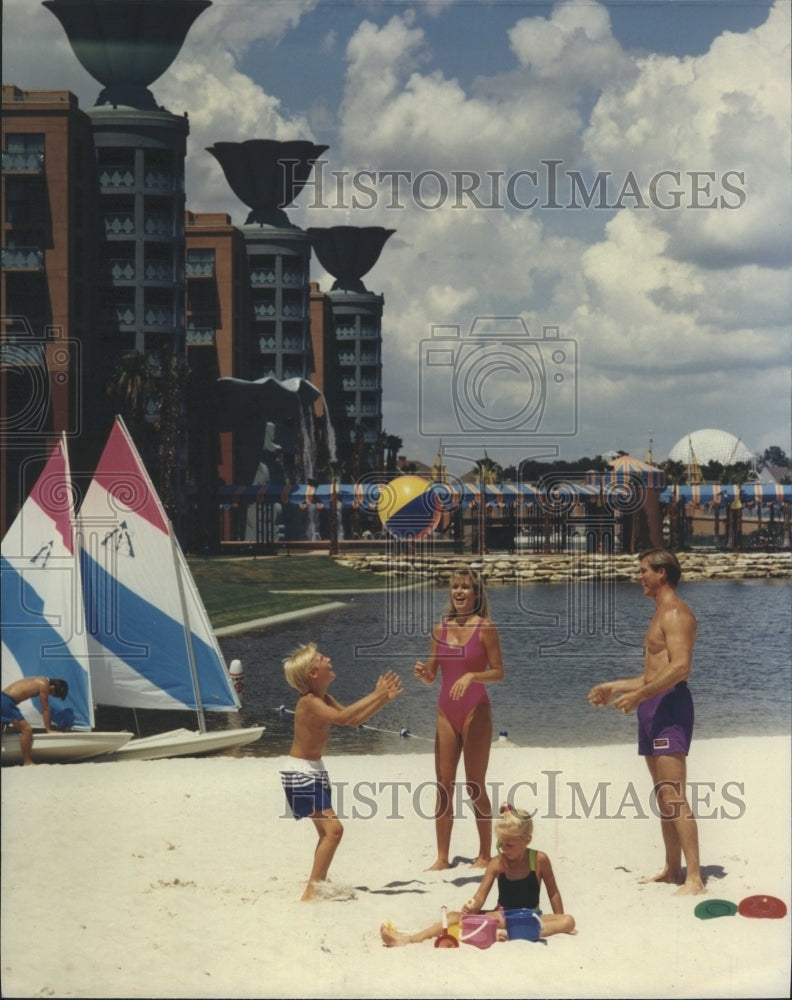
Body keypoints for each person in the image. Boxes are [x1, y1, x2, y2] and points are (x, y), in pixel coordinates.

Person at [588, 547, 705, 896]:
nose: (639, 576)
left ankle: (694, 877)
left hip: (669, 707)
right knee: (662, 795)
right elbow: (653, 674)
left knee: (674, 795)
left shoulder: (676, 614)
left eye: (643, 570)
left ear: (662, 574)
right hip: (653, 706)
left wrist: (640, 696)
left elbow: (680, 668)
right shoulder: (658, 615)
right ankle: (672, 869)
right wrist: (615, 686)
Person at [280, 642, 403, 901]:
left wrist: (382, 698)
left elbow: (354, 720)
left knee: (327, 833)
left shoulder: (323, 698)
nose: (329, 659)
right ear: (313, 673)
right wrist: (376, 693)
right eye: (322, 658)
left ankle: (318, 884)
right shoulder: (308, 702)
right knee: (334, 831)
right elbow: (344, 717)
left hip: (314, 770)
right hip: (300, 772)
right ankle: (312, 890)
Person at [380, 804, 576, 946]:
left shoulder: (539, 860)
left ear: (527, 840)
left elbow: (553, 893)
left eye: (510, 845)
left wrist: (559, 919)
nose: (504, 849)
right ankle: (410, 939)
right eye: (500, 844)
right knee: (454, 916)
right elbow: (480, 895)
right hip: (503, 918)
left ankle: (511, 934)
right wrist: (471, 906)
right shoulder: (496, 863)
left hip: (531, 917)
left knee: (568, 920)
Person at [414, 566, 505, 870]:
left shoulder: (486, 627)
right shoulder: (440, 629)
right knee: (443, 784)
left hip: (476, 711)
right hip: (445, 712)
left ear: (476, 594)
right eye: (455, 587)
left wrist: (472, 676)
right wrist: (425, 675)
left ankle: (484, 854)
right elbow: (432, 674)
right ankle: (442, 857)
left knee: (474, 785)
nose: (459, 593)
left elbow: (498, 672)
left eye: (466, 587)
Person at [1, 676, 69, 766]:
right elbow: (45, 708)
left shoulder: (40, 680)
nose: (50, 695)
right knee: (27, 729)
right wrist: (49, 730)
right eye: (52, 693)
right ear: (52, 687)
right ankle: (27, 761)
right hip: (6, 701)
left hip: (3, 698)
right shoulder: (44, 683)